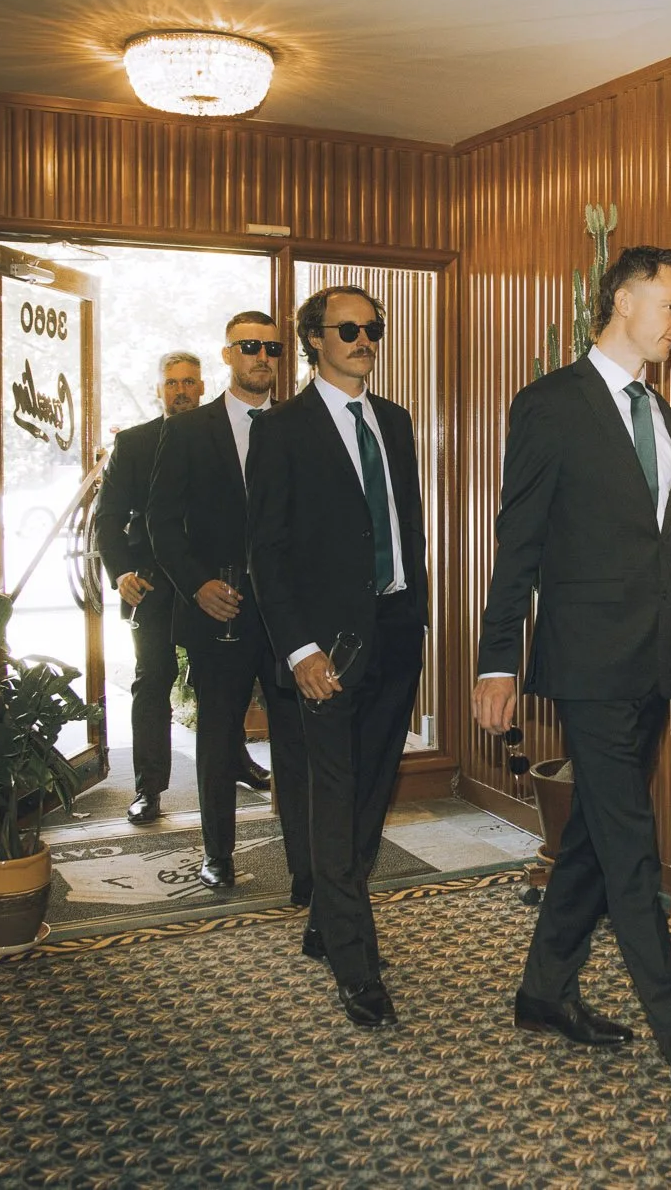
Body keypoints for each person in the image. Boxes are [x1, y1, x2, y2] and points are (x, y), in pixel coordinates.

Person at [472, 245, 671, 1116]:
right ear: (623, 299)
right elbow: (520, 542)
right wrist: (498, 660)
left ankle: (544, 989)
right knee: (630, 849)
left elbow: (640, 535)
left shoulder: (661, 410)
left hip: (651, 658)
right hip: (585, 662)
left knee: (591, 830)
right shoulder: (550, 403)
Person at [249, 285, 426, 1030]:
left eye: (372, 328)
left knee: (371, 791)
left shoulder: (395, 420)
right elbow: (268, 552)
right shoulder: (281, 429)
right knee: (334, 791)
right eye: (348, 329)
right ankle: (357, 967)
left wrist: (417, 614)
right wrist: (299, 649)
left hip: (397, 629)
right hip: (327, 648)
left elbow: (403, 527)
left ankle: (328, 913)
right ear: (313, 340)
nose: (364, 340)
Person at [146, 311, 310, 896]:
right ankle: (217, 854)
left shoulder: (301, 426)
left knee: (295, 743)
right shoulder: (189, 431)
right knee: (218, 741)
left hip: (291, 618)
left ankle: (305, 865)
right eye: (249, 346)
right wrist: (196, 585)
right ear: (228, 355)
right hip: (220, 613)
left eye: (272, 348)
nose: (262, 356)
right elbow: (162, 525)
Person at [92, 351, 203, 825]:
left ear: (202, 387)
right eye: (171, 383)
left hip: (208, 581)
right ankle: (148, 789)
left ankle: (235, 762)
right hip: (149, 583)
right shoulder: (134, 443)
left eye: (189, 382)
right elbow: (108, 517)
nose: (180, 391)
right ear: (158, 390)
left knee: (221, 680)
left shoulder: (218, 436)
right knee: (153, 680)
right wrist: (121, 573)